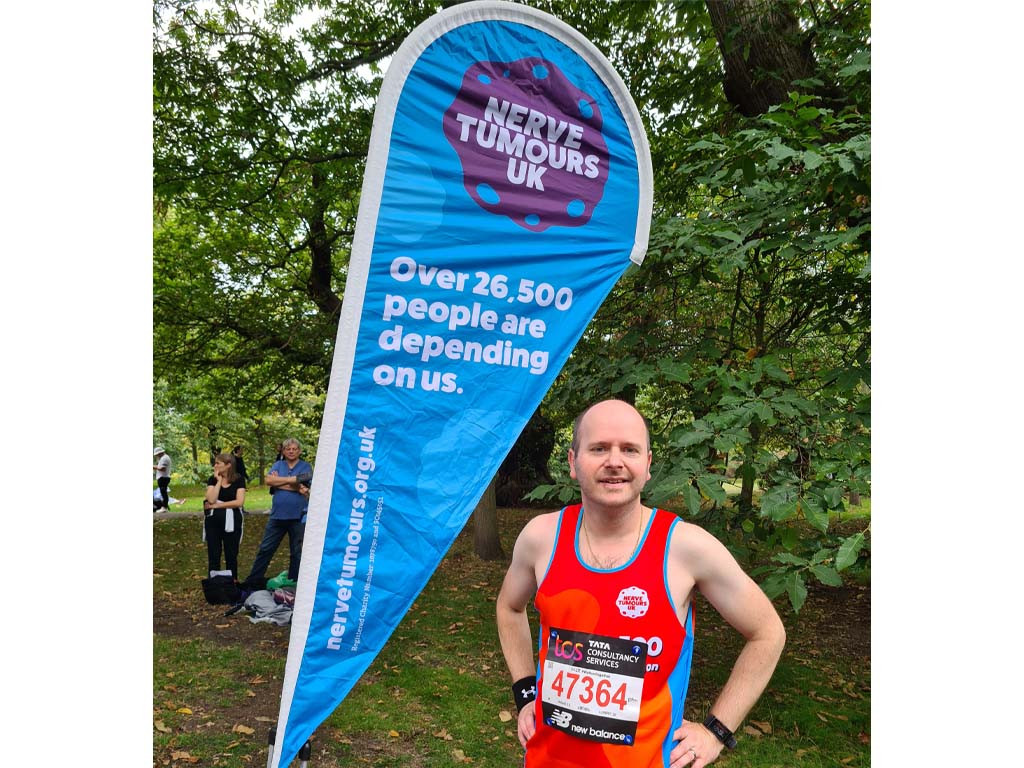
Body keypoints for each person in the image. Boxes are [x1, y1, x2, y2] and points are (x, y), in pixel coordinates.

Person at [496, 400, 786, 768]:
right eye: (599, 448)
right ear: (572, 461)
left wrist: (716, 731)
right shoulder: (541, 538)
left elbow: (767, 633)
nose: (614, 461)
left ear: (647, 465)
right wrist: (526, 693)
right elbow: (509, 607)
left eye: (629, 449)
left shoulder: (686, 548)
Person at [241, 438, 312, 586]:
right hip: (277, 516)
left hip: (298, 516)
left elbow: (305, 483)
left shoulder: (306, 467)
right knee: (265, 549)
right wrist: (294, 483)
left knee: (297, 552)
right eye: (288, 449)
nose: (291, 451)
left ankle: (295, 582)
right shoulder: (278, 465)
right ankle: (252, 582)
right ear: (283, 451)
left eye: (294, 449)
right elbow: (269, 481)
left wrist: (278, 482)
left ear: (299, 451)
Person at [204, 452, 246, 578]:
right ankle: (214, 583)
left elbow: (239, 502)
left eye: (218, 463)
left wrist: (218, 505)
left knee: (231, 555)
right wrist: (218, 482)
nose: (215, 466)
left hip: (232, 521)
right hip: (213, 522)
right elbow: (211, 499)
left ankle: (232, 582)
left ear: (228, 465)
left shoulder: (239, 479)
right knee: (214, 555)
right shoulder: (212, 479)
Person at [153, 447, 172, 513]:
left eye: (157, 455)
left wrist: (153, 467)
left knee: (164, 493)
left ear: (159, 453)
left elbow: (162, 468)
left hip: (163, 478)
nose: (156, 456)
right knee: (163, 492)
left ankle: (164, 507)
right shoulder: (163, 458)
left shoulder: (164, 458)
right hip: (163, 477)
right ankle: (164, 506)